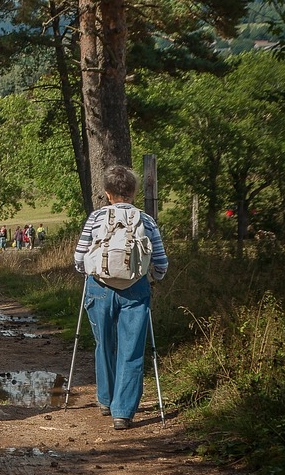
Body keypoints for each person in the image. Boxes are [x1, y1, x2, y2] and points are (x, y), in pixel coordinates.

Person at [73, 165, 168, 430]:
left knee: (104, 343)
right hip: (136, 289)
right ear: (134, 192)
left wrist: (89, 272)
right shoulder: (146, 221)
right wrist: (152, 278)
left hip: (99, 287)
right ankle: (122, 413)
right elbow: (161, 263)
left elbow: (79, 258)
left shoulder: (95, 218)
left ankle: (105, 399)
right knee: (132, 349)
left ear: (106, 192)